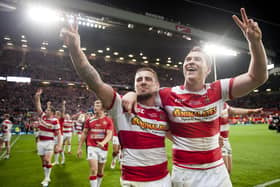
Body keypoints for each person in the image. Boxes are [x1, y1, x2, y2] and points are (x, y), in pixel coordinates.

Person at [122, 8, 268, 187]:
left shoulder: (217, 89)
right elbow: (143, 93)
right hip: (185, 174)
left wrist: (255, 42)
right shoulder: (167, 94)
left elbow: (257, 77)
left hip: (217, 171)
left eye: (197, 59)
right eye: (188, 59)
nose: (190, 61)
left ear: (208, 70)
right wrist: (131, 94)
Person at [60, 19, 172, 186]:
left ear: (156, 85)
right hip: (133, 182)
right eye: (139, 79)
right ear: (134, 85)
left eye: (148, 79)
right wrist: (75, 49)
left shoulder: (164, 111)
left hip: (163, 181)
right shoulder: (121, 107)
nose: (143, 82)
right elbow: (94, 82)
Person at [77, 100, 113, 187]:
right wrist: (79, 147)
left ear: (103, 108)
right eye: (94, 104)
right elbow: (84, 133)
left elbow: (109, 134)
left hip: (103, 148)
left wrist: (103, 143)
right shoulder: (89, 120)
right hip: (91, 147)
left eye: (97, 104)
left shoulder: (108, 120)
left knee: (100, 172)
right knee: (93, 170)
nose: (95, 106)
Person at [220, 103, 263, 174]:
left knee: (228, 171)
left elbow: (235, 110)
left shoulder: (224, 105)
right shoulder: (214, 105)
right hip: (219, 142)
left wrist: (253, 111)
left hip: (226, 141)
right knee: (224, 173)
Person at [34, 88, 62, 187]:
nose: (46, 110)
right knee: (43, 161)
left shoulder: (55, 121)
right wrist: (37, 96)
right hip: (40, 142)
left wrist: (58, 145)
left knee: (47, 159)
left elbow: (59, 134)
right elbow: (38, 106)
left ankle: (46, 178)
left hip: (50, 142)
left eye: (48, 110)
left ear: (52, 112)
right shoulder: (42, 116)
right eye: (46, 109)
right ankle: (46, 176)